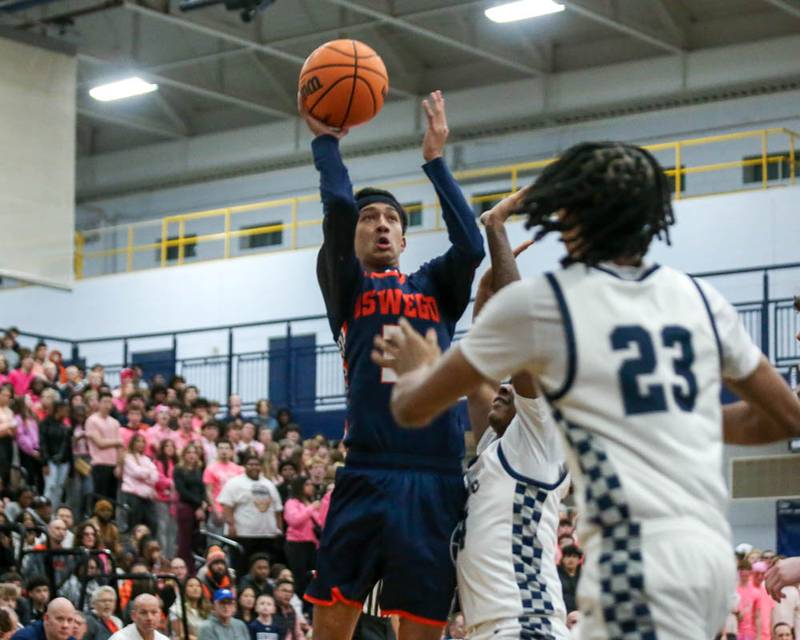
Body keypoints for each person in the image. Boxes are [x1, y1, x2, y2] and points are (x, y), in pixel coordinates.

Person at [379, 141, 800, 639]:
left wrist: (413, 369)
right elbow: (785, 418)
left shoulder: (545, 303)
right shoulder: (701, 299)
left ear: (568, 218)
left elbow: (412, 407)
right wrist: (659, 414)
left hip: (627, 564)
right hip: (705, 559)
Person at [300, 88, 484, 638]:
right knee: (333, 623)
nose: (380, 225)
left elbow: (470, 245)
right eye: (369, 218)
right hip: (367, 471)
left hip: (436, 475)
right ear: (353, 236)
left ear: (404, 237)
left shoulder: (434, 287)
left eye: (390, 220)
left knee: (424, 626)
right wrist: (326, 143)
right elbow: (336, 205)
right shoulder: (346, 285)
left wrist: (435, 161)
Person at [449, 197, 569, 640]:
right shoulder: (495, 450)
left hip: (526, 626)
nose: (502, 387)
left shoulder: (541, 439)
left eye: (513, 386)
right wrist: (484, 300)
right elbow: (478, 381)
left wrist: (495, 228)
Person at [218, 453, 284, 572]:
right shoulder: (234, 483)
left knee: (265, 568)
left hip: (266, 535)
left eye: (257, 464)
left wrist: (279, 529)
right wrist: (231, 525)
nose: (254, 467)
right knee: (241, 568)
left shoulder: (269, 484)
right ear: (244, 466)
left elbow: (277, 510)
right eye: (251, 464)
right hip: (243, 534)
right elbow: (227, 506)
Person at [282, 476, 321, 600]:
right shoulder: (291, 503)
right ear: (299, 487)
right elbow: (294, 521)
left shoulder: (312, 502)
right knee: (299, 577)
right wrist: (311, 508)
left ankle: (310, 603)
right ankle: (300, 603)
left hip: (312, 544)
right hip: (296, 544)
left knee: (312, 576)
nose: (311, 487)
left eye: (311, 484)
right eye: (307, 484)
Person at [173, 444, 206, 572]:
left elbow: (203, 489)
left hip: (198, 509)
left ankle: (193, 567)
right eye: (189, 452)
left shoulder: (199, 469)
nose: (192, 455)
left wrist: (203, 504)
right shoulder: (179, 469)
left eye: (194, 452)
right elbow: (182, 490)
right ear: (184, 455)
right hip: (185, 507)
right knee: (184, 540)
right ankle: (184, 568)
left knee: (195, 540)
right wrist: (199, 504)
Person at [85, 392, 123, 501]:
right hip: (99, 463)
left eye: (109, 402)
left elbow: (120, 447)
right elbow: (100, 443)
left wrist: (119, 465)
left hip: (113, 464)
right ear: (99, 403)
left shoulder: (115, 422)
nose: (107, 405)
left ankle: (111, 518)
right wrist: (117, 441)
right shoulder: (92, 420)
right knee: (100, 497)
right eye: (104, 402)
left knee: (112, 498)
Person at [120, 435, 159, 537]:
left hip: (147, 497)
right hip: (133, 495)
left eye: (143, 442)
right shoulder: (128, 458)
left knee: (152, 524)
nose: (141, 444)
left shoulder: (146, 459)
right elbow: (137, 472)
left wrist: (144, 473)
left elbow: (155, 476)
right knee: (134, 525)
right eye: (138, 441)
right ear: (133, 443)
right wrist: (147, 473)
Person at [202, 441, 242, 535]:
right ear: (217, 451)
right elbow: (209, 491)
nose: (224, 451)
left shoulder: (239, 469)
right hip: (218, 510)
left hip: (235, 511)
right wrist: (215, 510)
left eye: (227, 448)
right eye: (221, 448)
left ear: (232, 452)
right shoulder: (210, 469)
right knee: (215, 542)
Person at [40, 401, 72, 510]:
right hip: (50, 460)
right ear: (58, 409)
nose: (67, 411)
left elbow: (68, 445)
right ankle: (44, 509)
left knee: (59, 488)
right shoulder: (45, 423)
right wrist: (44, 463)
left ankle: (54, 511)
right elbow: (42, 444)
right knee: (50, 486)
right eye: (65, 409)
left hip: (64, 461)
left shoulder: (65, 425)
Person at [11, 597, 76, 640]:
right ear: (46, 618)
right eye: (60, 619)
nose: (65, 625)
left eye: (70, 620)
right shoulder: (23, 638)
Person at [558, 546, 583, 616]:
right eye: (568, 556)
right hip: (563, 613)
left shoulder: (584, 574)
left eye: (574, 556)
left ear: (579, 560)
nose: (571, 559)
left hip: (581, 614)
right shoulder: (556, 573)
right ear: (562, 559)